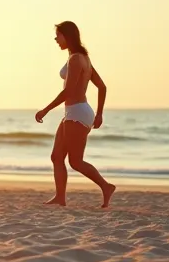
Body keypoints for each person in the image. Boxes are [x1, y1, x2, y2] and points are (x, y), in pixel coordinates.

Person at [35, 21, 117, 208]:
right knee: (57, 157)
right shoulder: (82, 58)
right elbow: (102, 87)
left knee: (76, 161)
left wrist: (46, 109)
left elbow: (69, 91)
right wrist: (98, 114)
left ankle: (106, 186)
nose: (56, 39)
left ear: (67, 35)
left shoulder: (76, 59)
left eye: (58, 35)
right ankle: (60, 197)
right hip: (76, 112)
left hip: (77, 113)